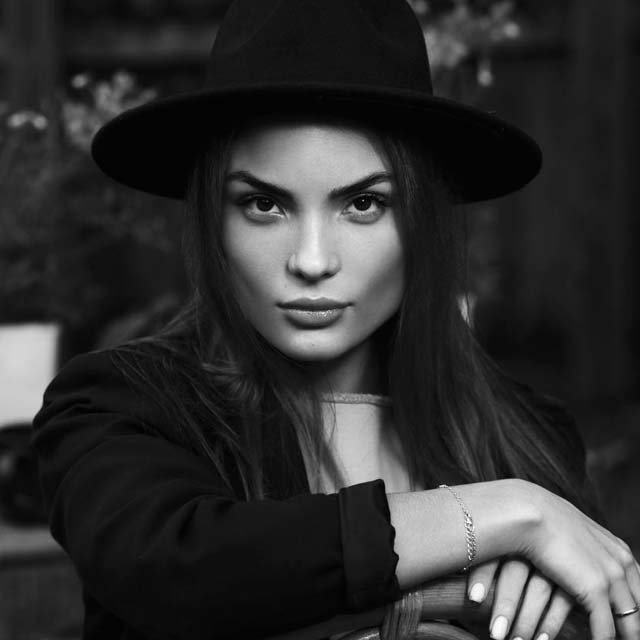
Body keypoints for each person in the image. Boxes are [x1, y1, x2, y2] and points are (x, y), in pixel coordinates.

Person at [32, 1, 640, 640]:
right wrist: (500, 515)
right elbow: (181, 570)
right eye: (263, 204)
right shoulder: (115, 406)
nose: (312, 261)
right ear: (212, 217)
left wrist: (545, 597)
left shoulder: (530, 436)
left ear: (423, 222)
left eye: (364, 203)